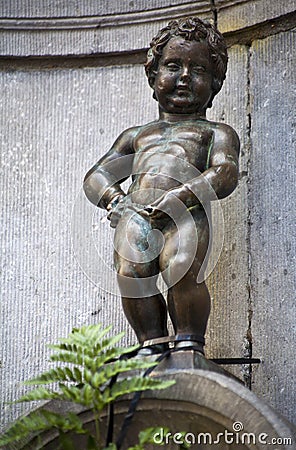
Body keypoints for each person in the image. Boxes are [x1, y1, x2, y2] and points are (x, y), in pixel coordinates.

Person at [83, 17, 240, 354]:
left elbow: (225, 172)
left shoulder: (215, 133)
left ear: (214, 85)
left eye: (198, 70)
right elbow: (97, 176)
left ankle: (188, 343)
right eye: (173, 65)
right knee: (131, 273)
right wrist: (116, 201)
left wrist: (182, 196)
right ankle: (150, 344)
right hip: (137, 213)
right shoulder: (137, 136)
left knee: (181, 267)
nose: (184, 76)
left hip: (186, 211)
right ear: (153, 77)